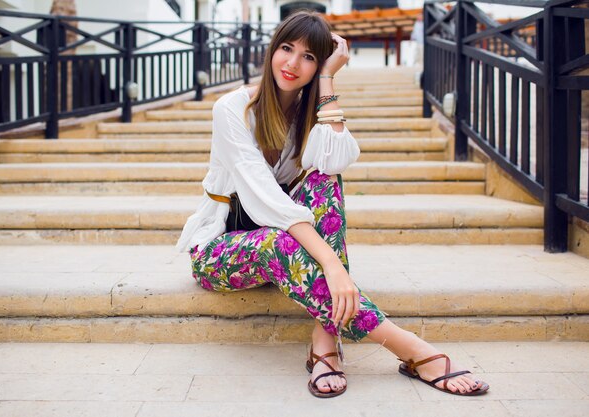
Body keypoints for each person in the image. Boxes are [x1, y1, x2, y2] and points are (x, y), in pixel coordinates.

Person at [176, 10, 489, 399]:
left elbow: (337, 159)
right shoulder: (232, 109)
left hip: (283, 234)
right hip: (222, 249)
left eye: (309, 57)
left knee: (324, 179)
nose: (292, 63)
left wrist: (327, 81)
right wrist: (332, 264)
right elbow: (265, 199)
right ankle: (410, 348)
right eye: (286, 49)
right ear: (272, 49)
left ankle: (325, 344)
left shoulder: (310, 114)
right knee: (281, 242)